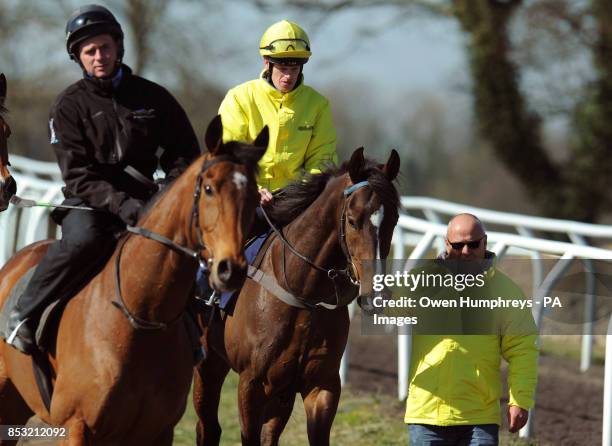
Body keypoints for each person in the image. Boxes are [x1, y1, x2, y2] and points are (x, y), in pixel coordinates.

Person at [5, 4, 199, 355]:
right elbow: (78, 176)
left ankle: (194, 332)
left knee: (185, 251)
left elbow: (185, 155)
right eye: (90, 51)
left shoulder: (155, 97)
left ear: (118, 47)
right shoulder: (67, 107)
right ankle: (24, 313)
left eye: (105, 48)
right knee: (83, 241)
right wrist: (123, 205)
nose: (99, 56)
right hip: (90, 204)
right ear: (78, 58)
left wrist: (167, 195)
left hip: (149, 201)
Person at [404, 213, 538, 446]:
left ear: (485, 242)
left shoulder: (506, 291)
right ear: (446, 244)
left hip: (479, 418)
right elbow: (382, 306)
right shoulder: (420, 281)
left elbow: (523, 350)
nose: (466, 251)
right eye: (458, 245)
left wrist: (520, 401)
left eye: (473, 244)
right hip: (426, 415)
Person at [218, 19, 337, 204]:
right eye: (282, 68)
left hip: (297, 202)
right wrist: (252, 189)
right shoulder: (238, 98)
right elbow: (227, 154)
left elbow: (323, 158)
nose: (288, 76)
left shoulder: (318, 104)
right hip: (246, 197)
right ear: (267, 63)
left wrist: (304, 193)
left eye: (294, 68)